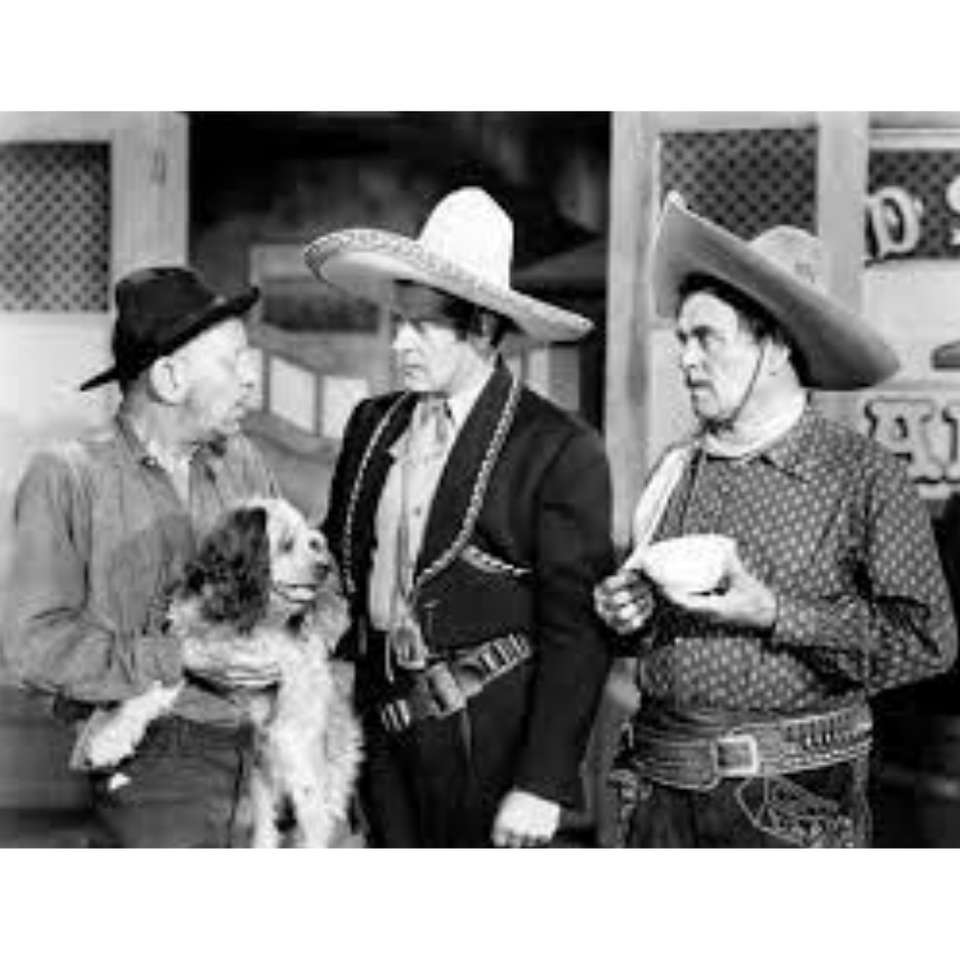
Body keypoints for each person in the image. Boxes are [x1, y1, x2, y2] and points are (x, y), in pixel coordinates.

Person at [594, 195, 957, 848]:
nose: (686, 360)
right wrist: (629, 616)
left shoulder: (862, 475)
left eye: (707, 339)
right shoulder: (674, 469)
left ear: (776, 346)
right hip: (656, 797)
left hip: (791, 805)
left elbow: (928, 641)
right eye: (682, 339)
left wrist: (775, 612)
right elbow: (645, 637)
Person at [305, 187, 614, 847]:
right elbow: (339, 564)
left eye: (422, 327)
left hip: (494, 744)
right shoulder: (372, 424)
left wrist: (542, 783)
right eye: (398, 322)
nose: (400, 344)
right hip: (381, 738)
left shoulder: (557, 448)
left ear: (481, 328)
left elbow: (576, 633)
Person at [1, 266, 283, 847]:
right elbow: (34, 645)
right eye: (233, 362)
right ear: (170, 378)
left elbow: (300, 582)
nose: (250, 380)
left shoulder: (242, 462)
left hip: (264, 756)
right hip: (148, 768)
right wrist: (182, 656)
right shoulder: (68, 477)